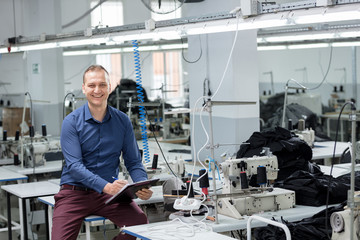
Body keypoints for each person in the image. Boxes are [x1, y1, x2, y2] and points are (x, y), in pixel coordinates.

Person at [52, 65, 153, 240]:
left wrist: (141, 184)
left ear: (110, 87)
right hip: (74, 194)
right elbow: (75, 166)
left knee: (139, 223)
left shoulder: (123, 121)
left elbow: (134, 162)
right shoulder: (71, 122)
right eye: (91, 85)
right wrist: (106, 186)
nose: (97, 90)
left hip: (109, 196)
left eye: (102, 85)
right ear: (84, 88)